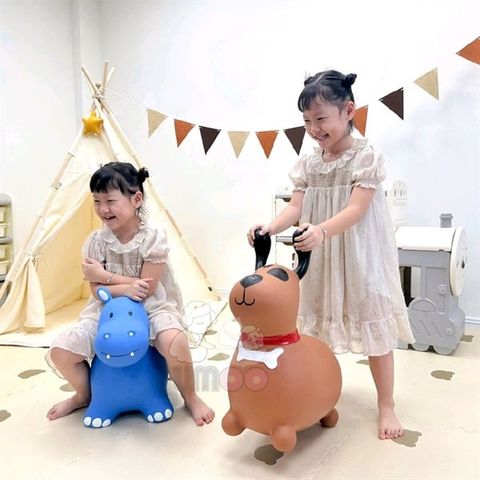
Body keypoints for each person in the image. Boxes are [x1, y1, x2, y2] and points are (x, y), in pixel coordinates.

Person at [248, 70, 414, 440]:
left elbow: (356, 210)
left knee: (373, 327)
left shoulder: (365, 157)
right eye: (307, 121)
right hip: (321, 255)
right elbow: (295, 207)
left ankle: (386, 404)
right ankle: (319, 394)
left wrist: (322, 230)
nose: (314, 128)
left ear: (348, 111)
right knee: (317, 330)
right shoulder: (309, 163)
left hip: (360, 254)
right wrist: (269, 228)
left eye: (321, 118)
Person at [46, 161, 214, 426]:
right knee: (61, 351)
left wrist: (104, 276)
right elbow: (96, 291)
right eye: (97, 201)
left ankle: (191, 397)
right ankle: (84, 395)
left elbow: (146, 288)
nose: (103, 209)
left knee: (174, 341)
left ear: (136, 199)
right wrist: (121, 286)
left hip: (151, 307)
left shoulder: (153, 237)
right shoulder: (96, 241)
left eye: (110, 201)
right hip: (106, 311)